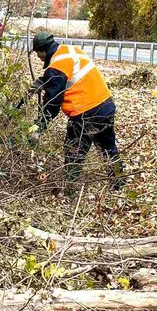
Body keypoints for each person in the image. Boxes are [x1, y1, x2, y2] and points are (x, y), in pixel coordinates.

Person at [30, 30, 126, 193]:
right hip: (106, 106)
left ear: (43, 51)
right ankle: (118, 185)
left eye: (39, 54)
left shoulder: (55, 68)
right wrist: (46, 80)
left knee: (73, 151)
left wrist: (38, 128)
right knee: (108, 147)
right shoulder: (72, 50)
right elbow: (71, 74)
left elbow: (52, 104)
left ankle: (70, 191)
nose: (39, 58)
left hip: (85, 114)